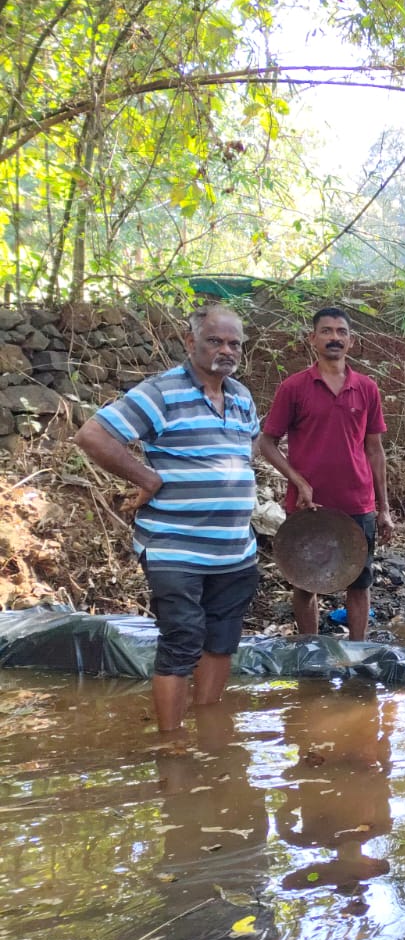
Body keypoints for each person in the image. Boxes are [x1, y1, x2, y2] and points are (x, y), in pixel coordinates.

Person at [73, 304, 261, 733]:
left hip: (235, 549)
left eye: (234, 343)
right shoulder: (162, 392)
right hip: (175, 548)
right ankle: (172, 747)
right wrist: (146, 477)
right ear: (190, 342)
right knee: (181, 641)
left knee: (221, 642)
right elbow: (93, 434)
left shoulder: (241, 395)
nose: (226, 350)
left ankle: (209, 731)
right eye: (215, 340)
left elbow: (246, 448)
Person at [257, 307, 393, 642]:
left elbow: (375, 450)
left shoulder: (366, 388)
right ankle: (311, 651)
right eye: (327, 331)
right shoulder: (294, 387)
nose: (334, 337)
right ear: (312, 338)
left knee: (359, 583)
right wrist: (297, 480)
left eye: (341, 332)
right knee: (305, 583)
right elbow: (267, 442)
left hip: (357, 502)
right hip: (308, 505)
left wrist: (384, 508)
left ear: (351, 341)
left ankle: (358, 651)